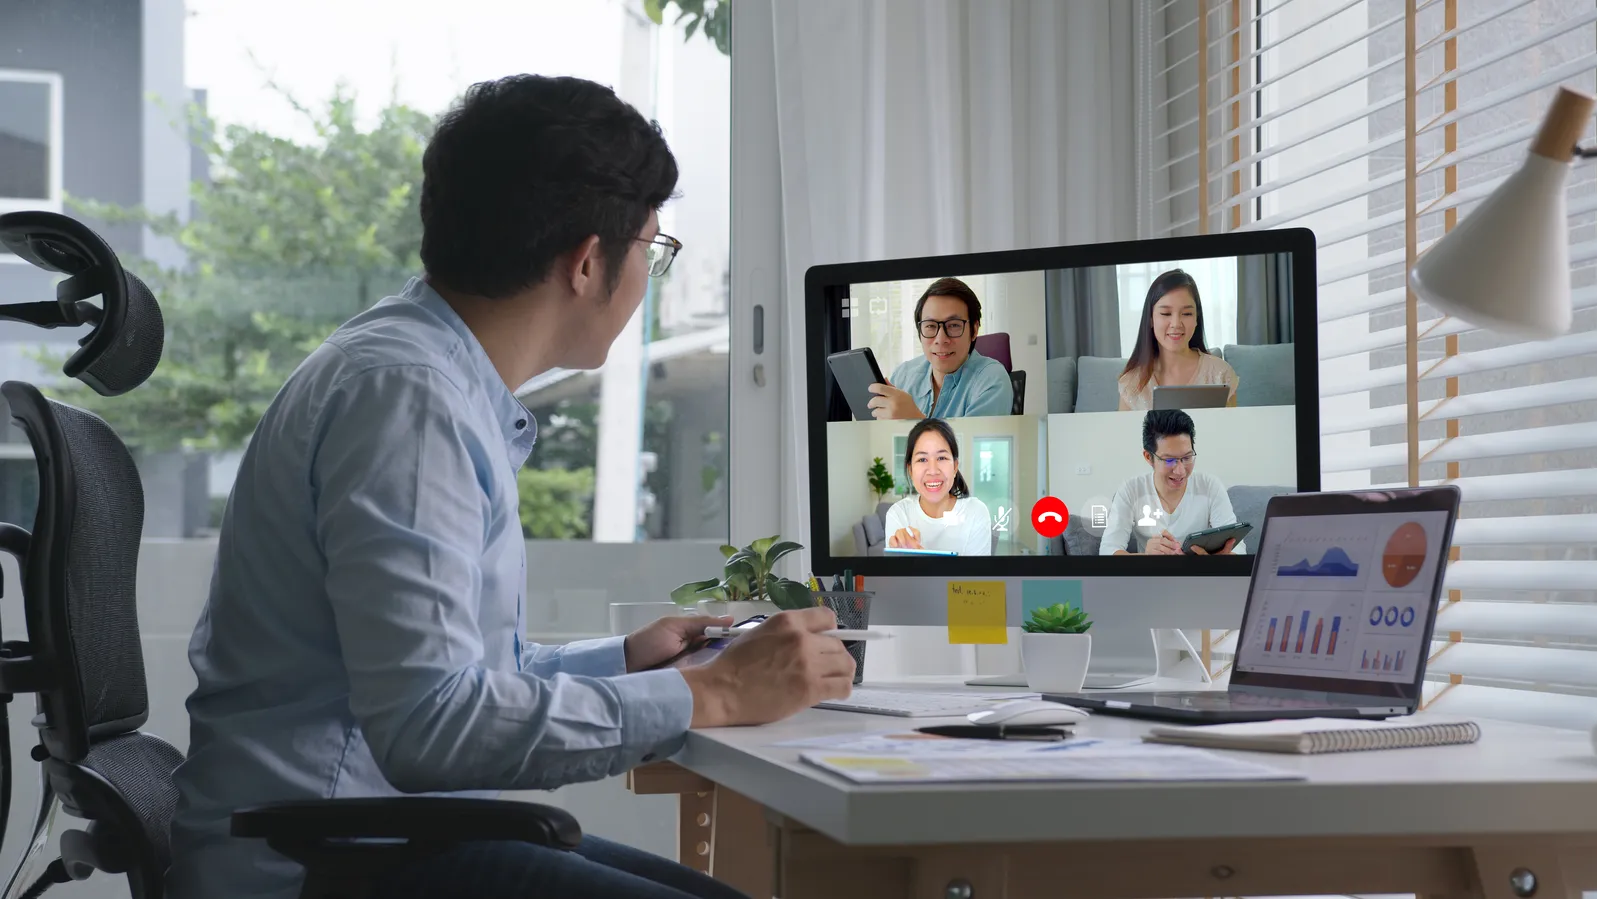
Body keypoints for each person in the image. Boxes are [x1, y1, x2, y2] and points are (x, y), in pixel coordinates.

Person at [166, 75, 856, 899]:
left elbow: (452, 673)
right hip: (326, 861)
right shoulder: (410, 402)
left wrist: (629, 662)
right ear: (589, 262)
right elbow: (431, 725)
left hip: (368, 836)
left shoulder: (418, 374)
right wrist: (708, 692)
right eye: (652, 250)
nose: (647, 277)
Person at [1099, 409, 1244, 556]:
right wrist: (1146, 558)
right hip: (1152, 576)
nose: (1180, 471)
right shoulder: (1131, 490)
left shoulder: (1210, 486)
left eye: (1187, 458)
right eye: (1169, 460)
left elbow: (1238, 548)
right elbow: (1108, 550)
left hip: (1200, 576)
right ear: (1148, 457)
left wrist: (1221, 560)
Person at [867, 277, 1014, 419]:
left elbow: (972, 444)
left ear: (974, 330)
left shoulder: (992, 380)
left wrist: (913, 419)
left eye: (954, 325)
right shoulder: (903, 375)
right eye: (930, 326)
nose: (941, 339)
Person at [1117, 268, 1239, 411]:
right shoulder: (1132, 383)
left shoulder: (1221, 374)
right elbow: (1123, 433)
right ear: (1150, 319)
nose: (1176, 324)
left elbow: (1231, 429)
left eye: (1187, 313)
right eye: (1166, 313)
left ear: (1196, 319)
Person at [884, 418, 994, 555]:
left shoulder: (976, 511)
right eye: (922, 459)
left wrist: (919, 559)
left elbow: (977, 575)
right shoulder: (899, 514)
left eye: (941, 458)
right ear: (910, 470)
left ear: (955, 467)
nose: (933, 470)